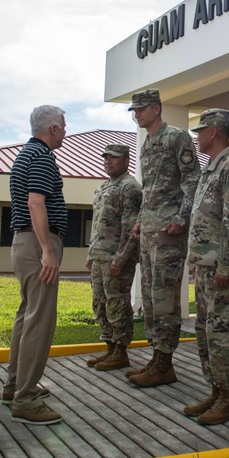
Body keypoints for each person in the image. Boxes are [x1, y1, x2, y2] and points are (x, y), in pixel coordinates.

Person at [183, 108, 229, 425]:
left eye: (200, 131)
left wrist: (226, 264)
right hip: (207, 269)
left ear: (214, 131)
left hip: (226, 271)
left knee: (224, 333)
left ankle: (228, 399)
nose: (197, 136)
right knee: (207, 332)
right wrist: (198, 263)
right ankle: (216, 392)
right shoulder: (211, 169)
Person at [126, 89, 201, 388]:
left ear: (156, 108)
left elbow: (192, 181)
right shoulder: (147, 143)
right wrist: (139, 221)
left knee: (166, 298)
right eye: (134, 110)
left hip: (169, 233)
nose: (137, 114)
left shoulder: (176, 138)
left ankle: (165, 362)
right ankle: (157, 357)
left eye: (142, 109)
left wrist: (181, 220)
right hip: (149, 231)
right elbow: (149, 189)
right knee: (150, 296)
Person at [2, 105, 68, 425]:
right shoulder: (41, 156)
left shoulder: (26, 154)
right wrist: (47, 251)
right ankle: (25, 400)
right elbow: (35, 202)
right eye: (64, 125)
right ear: (53, 128)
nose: (66, 131)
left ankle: (16, 385)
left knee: (27, 316)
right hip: (36, 244)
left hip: (24, 243)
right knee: (40, 321)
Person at [85, 143, 142, 371]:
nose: (108, 161)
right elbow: (96, 225)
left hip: (117, 260)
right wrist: (91, 254)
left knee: (117, 303)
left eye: (114, 158)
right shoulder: (103, 188)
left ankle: (120, 351)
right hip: (99, 257)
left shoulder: (130, 189)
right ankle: (109, 348)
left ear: (126, 160)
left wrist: (120, 260)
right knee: (100, 303)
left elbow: (132, 229)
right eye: (105, 157)